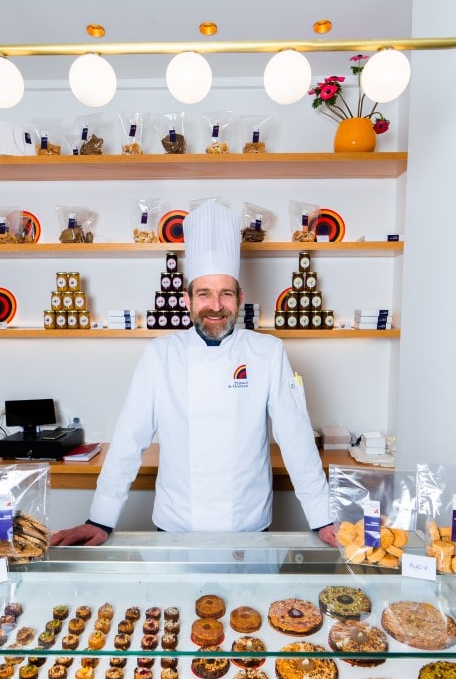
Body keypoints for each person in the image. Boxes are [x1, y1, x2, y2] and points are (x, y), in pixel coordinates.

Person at [51, 199, 337, 548]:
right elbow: (129, 439)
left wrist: (323, 519)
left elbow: (296, 441)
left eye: (225, 294)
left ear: (240, 298)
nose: (215, 306)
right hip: (176, 527)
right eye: (204, 293)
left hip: (247, 527)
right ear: (187, 300)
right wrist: (101, 519)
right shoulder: (160, 354)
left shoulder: (268, 352)